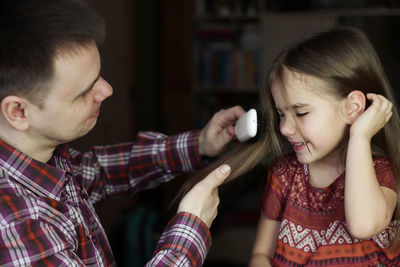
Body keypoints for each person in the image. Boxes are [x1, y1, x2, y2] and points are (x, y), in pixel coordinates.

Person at [0, 0, 245, 266]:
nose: (107, 90)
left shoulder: (42, 156)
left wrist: (199, 145)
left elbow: (99, 170)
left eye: (99, 75)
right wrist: (191, 227)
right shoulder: (14, 225)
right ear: (18, 111)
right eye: (85, 91)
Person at [183, 27, 400, 266]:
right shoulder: (284, 175)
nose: (284, 128)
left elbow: (363, 225)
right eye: (281, 113)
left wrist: (360, 136)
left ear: (352, 108)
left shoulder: (380, 173)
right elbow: (261, 255)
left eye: (301, 112)